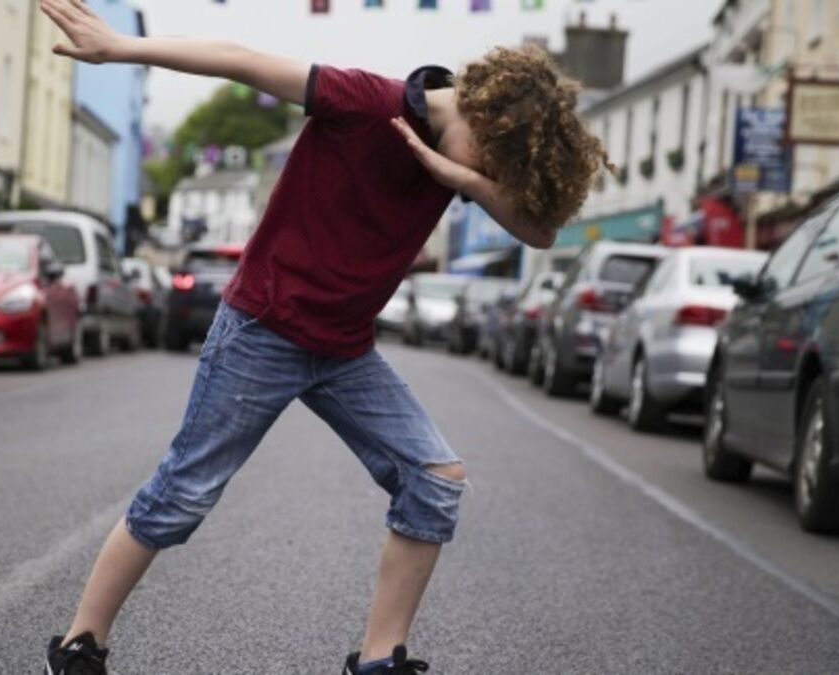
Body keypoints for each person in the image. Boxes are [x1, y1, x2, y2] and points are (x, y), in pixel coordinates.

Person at [37, 1, 608, 673]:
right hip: (262, 331)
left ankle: (378, 659)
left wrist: (461, 179)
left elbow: (541, 232)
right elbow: (242, 61)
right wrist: (121, 48)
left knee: (435, 479)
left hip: (344, 350)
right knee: (182, 494)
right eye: (493, 165)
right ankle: (79, 645)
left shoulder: (458, 165)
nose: (492, 182)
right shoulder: (364, 102)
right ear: (481, 117)